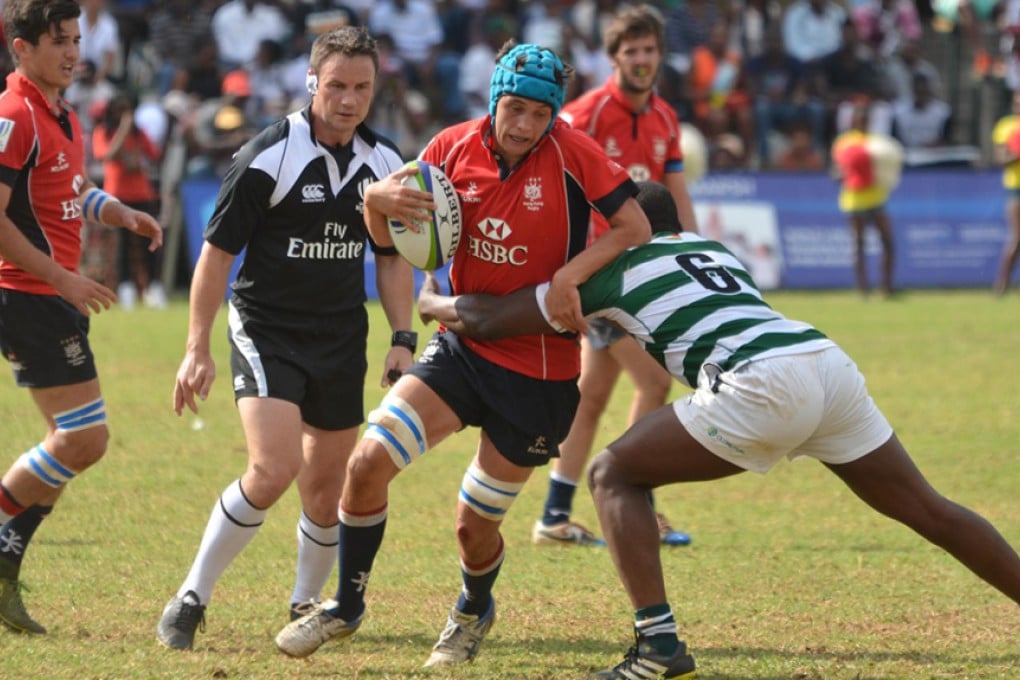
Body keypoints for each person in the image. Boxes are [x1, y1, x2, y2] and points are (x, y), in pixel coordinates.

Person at [416, 180, 1020, 680]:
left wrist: (435, 304)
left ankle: (657, 647)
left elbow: (494, 318)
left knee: (611, 475)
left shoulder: (616, 269)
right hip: (823, 362)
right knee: (930, 510)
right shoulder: (714, 250)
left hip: (760, 383)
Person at [274, 40, 651, 666]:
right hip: (463, 349)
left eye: (539, 114)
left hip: (542, 369)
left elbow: (633, 227)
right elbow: (394, 240)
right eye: (515, 109)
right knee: (366, 463)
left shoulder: (572, 153)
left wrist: (568, 277)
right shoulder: (448, 148)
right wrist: (375, 205)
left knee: (473, 527)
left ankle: (474, 607)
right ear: (494, 97)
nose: (525, 126)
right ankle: (345, 605)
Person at [155, 26, 416, 651]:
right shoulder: (267, 155)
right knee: (274, 469)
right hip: (266, 326)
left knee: (326, 491)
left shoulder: (385, 163)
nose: (348, 100)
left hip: (340, 333)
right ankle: (191, 597)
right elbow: (215, 258)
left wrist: (402, 336)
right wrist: (196, 348)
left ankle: (306, 603)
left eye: (361, 88)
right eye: (336, 86)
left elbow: (391, 257)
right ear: (310, 82)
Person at [0, 0, 162, 634]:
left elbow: (68, 192)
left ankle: (6, 571)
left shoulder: (60, 111)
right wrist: (62, 276)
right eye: (58, 41)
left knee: (67, 452)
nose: (72, 51)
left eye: (75, 38)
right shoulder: (15, 115)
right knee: (84, 439)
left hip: (53, 296)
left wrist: (116, 211)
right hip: (29, 295)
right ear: (22, 48)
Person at [545, 4, 696, 548]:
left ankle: (554, 515)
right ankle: (641, 504)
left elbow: (675, 193)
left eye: (649, 49)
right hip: (600, 275)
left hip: (638, 271)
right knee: (654, 381)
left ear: (659, 54)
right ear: (613, 58)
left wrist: (691, 247)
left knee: (591, 397)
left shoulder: (665, 119)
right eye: (630, 50)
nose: (641, 59)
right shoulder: (585, 114)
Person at [91, 93, 164, 310]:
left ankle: (153, 287)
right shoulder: (103, 132)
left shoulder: (139, 133)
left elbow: (154, 154)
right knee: (120, 245)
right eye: (120, 111)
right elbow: (107, 154)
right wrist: (123, 129)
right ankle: (126, 289)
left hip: (142, 195)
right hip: (116, 197)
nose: (125, 116)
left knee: (149, 242)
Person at [831, 102, 896, 297]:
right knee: (859, 244)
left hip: (876, 197)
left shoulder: (876, 142)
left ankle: (886, 288)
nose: (862, 123)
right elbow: (838, 169)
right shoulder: (845, 142)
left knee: (887, 242)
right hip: (855, 199)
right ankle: (863, 289)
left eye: (865, 119)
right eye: (859, 119)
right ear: (853, 121)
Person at [992, 90, 1020, 295]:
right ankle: (1001, 286)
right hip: (1016, 189)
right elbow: (1001, 159)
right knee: (1017, 237)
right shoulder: (1006, 127)